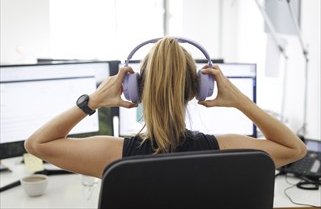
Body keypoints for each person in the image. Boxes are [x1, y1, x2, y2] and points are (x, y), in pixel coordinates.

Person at [25, 37, 307, 178]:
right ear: (197, 90)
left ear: (135, 88)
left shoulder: (113, 156)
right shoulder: (226, 151)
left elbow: (37, 144)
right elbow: (295, 149)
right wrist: (241, 100)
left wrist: (94, 100)